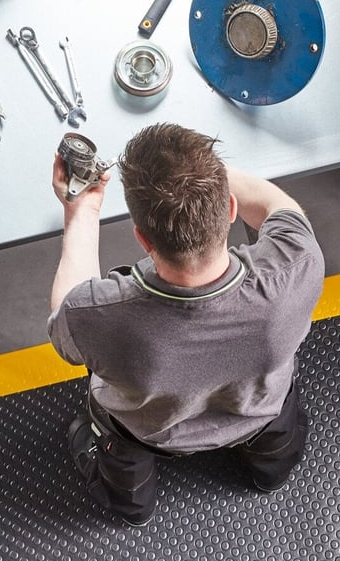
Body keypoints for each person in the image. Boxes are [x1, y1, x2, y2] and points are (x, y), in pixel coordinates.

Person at [47, 123, 325, 526]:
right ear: (229, 209)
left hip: (146, 434)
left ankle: (134, 511)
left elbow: (63, 318)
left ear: (142, 238)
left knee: (125, 485)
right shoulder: (296, 265)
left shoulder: (96, 315)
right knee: (277, 455)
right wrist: (203, 177)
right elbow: (278, 208)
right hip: (261, 414)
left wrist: (82, 210)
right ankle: (269, 477)